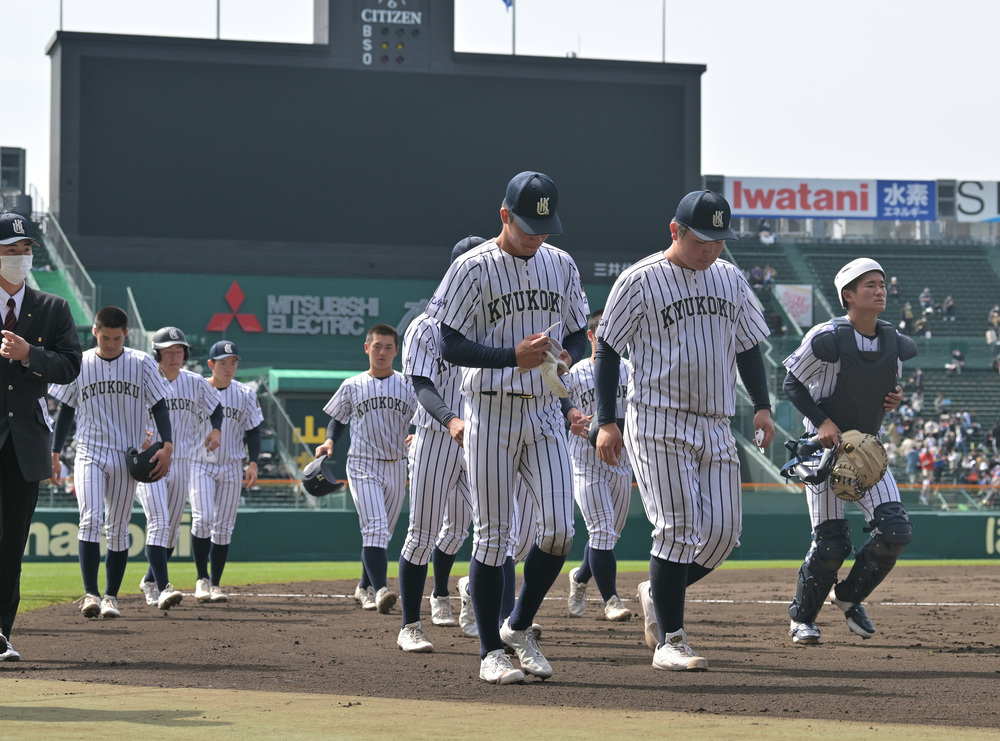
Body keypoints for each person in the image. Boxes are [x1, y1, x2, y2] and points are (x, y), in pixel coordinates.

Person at [593, 190, 774, 671]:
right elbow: (608, 349)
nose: (711, 248)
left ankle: (657, 589)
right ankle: (671, 640)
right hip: (658, 420)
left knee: (722, 534)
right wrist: (605, 420)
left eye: (719, 239)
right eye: (701, 239)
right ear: (675, 231)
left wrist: (761, 406)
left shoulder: (730, 278)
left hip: (715, 423)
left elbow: (750, 345)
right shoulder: (639, 280)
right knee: (676, 528)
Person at [425, 171, 590, 684]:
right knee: (493, 537)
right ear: (503, 215)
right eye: (526, 224)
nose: (537, 234)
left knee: (560, 529)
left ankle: (519, 626)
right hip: (489, 411)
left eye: (544, 225)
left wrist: (569, 356)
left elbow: (581, 334)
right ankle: (489, 652)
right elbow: (447, 344)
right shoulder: (471, 268)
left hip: (544, 410)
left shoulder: (560, 264)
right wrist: (509, 357)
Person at [781, 258, 915, 646]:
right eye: (869, 285)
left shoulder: (894, 341)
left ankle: (849, 596)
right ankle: (802, 619)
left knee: (896, 531)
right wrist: (822, 421)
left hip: (868, 451)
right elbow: (792, 384)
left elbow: (883, 388)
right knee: (831, 545)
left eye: (882, 284)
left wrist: (894, 398)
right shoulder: (826, 337)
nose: (880, 290)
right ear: (849, 296)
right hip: (823, 452)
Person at [50, 306, 173, 619]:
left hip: (125, 455)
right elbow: (65, 409)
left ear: (126, 334)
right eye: (105, 337)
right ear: (95, 332)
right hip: (89, 451)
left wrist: (167, 444)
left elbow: (159, 405)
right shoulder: (79, 362)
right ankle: (91, 593)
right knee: (90, 519)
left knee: (117, 529)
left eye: (116, 338)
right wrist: (54, 451)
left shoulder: (141, 362)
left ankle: (111, 597)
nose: (110, 344)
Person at [394, 237, 484, 653]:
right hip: (436, 436)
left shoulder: (494, 322)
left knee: (508, 534)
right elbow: (421, 384)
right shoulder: (425, 327)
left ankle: (468, 594)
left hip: (486, 437)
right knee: (423, 532)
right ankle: (410, 625)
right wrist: (450, 419)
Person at [0, 213, 82, 660]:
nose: (20, 257)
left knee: (12, 542)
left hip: (25, 444)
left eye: (25, 249)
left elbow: (71, 366)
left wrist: (31, 354)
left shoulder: (53, 308)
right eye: (10, 249)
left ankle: (0, 633)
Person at [316, 324, 417, 616]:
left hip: (397, 464)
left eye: (388, 347)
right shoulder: (352, 384)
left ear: (396, 351)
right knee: (374, 528)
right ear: (366, 348)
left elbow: (424, 417)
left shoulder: (408, 385)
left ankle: (364, 587)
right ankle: (382, 589)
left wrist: (419, 433)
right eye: (377, 346)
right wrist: (328, 441)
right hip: (362, 464)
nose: (382, 352)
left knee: (381, 534)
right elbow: (337, 418)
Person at [135, 327, 222, 610]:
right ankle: (163, 588)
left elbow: (216, 407)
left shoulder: (195, 382)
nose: (175, 356)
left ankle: (149, 580)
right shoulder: (144, 379)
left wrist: (216, 430)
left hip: (182, 460)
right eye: (169, 351)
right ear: (157, 354)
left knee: (171, 532)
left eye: (180, 350)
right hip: (150, 458)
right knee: (159, 522)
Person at [562, 309, 633, 622]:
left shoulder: (632, 371)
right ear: (590, 336)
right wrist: (572, 417)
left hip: (623, 460)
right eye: (602, 333)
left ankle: (579, 578)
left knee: (608, 535)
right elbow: (558, 400)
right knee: (602, 531)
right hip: (584, 460)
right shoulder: (576, 373)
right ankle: (612, 600)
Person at [189, 340, 263, 603]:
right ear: (211, 364)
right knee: (203, 519)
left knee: (223, 529)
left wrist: (253, 463)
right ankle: (201, 578)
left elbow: (254, 432)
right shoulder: (196, 391)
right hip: (199, 463)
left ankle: (216, 584)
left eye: (233, 362)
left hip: (232, 465)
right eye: (223, 362)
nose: (229, 367)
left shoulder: (245, 394)